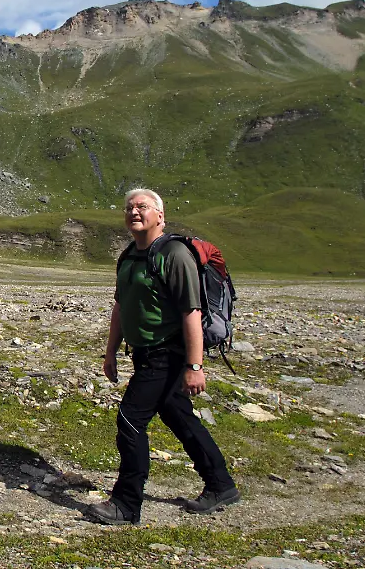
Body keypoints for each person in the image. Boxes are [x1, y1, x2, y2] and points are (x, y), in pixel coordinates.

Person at [84, 188, 239, 526]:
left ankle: (126, 504)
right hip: (142, 353)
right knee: (180, 418)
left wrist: (195, 366)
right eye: (129, 208)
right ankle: (221, 484)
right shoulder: (129, 256)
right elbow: (121, 308)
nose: (134, 212)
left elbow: (191, 312)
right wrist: (110, 352)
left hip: (167, 354)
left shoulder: (174, 254)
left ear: (160, 215)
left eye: (142, 207)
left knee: (129, 420)